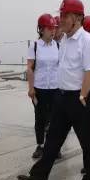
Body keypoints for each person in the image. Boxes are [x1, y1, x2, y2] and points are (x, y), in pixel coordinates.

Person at [18, 0, 90, 180]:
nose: (61, 19)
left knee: (88, 142)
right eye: (61, 15)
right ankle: (40, 175)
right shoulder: (64, 40)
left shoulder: (86, 41)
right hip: (62, 97)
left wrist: (82, 96)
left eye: (65, 15)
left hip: (80, 98)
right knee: (53, 139)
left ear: (78, 18)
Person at [26, 14, 60, 158]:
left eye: (54, 28)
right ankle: (40, 145)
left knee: (55, 119)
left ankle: (53, 147)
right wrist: (31, 88)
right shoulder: (34, 46)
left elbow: (60, 67)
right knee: (40, 119)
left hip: (55, 88)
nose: (53, 31)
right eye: (49, 28)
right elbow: (30, 68)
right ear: (41, 29)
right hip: (39, 88)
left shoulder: (57, 46)